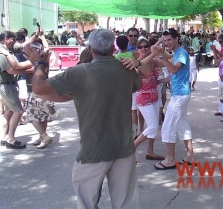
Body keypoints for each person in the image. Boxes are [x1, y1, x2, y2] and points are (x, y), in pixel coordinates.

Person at [25, 29, 141, 208]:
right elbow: (136, 84)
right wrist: (135, 61)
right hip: (123, 147)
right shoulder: (127, 69)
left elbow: (39, 88)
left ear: (90, 48)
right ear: (112, 47)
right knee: (126, 203)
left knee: (86, 203)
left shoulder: (79, 72)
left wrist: (40, 64)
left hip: (93, 150)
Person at [138, 28, 194, 169]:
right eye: (165, 40)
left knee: (168, 126)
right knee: (182, 125)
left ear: (176, 39)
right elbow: (174, 75)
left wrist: (161, 55)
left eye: (169, 39)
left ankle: (170, 159)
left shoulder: (181, 54)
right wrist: (159, 81)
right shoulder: (176, 54)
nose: (167, 43)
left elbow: (173, 70)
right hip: (180, 94)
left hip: (180, 95)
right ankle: (190, 156)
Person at [132, 38, 165, 161]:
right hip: (143, 99)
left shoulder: (153, 61)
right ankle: (132, 148)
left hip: (154, 97)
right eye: (140, 47)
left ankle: (150, 151)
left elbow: (169, 61)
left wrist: (161, 52)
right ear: (137, 49)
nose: (143, 48)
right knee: (152, 126)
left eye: (146, 46)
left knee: (153, 126)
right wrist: (153, 53)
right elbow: (141, 65)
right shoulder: (137, 62)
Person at [0, 31, 34, 149]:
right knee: (18, 111)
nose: (15, 42)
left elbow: (24, 44)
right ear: (6, 39)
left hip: (8, 84)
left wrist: (37, 36)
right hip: (7, 85)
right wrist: (29, 70)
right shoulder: (2, 54)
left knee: (8, 112)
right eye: (13, 39)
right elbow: (11, 70)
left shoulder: (7, 51)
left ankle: (4, 137)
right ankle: (11, 139)